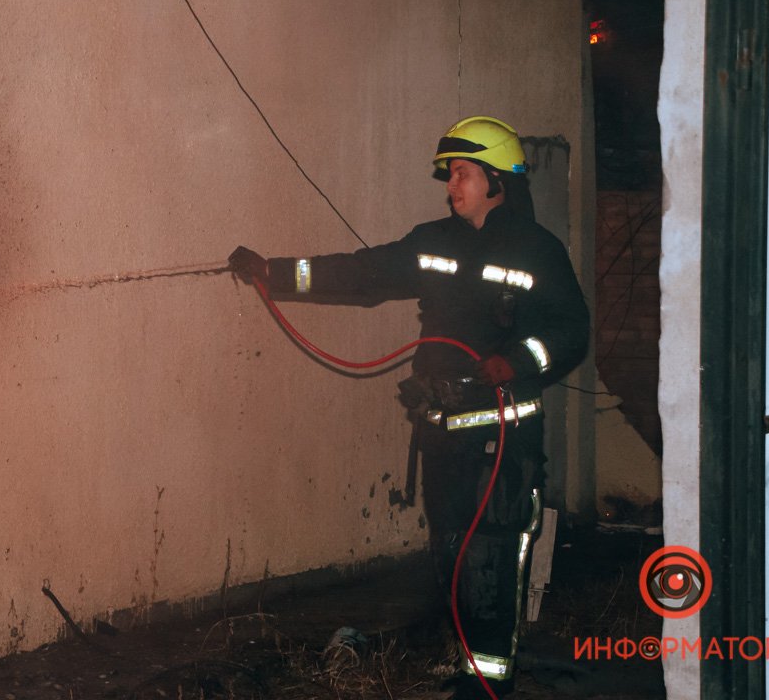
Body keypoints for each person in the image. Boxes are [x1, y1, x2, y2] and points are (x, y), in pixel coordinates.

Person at [228, 115, 589, 697]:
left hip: (503, 436)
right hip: (443, 433)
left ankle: (488, 680)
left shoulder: (536, 250)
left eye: (464, 173)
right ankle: (467, 657)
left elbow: (571, 330)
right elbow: (364, 272)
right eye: (451, 174)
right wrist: (277, 273)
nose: (453, 185)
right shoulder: (434, 242)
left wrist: (517, 361)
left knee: (491, 557)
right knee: (450, 549)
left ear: (497, 179)